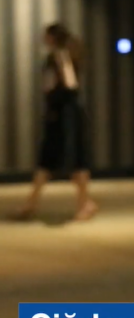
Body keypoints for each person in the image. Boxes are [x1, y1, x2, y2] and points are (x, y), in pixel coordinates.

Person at [14, 23, 98, 222]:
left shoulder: (59, 56)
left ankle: (81, 204)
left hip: (64, 115)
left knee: (64, 157)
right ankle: (34, 203)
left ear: (52, 37)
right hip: (66, 113)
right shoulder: (67, 54)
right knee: (58, 158)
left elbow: (69, 84)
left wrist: (53, 95)